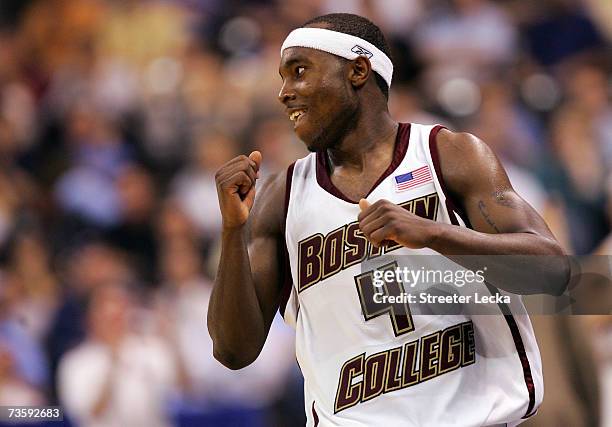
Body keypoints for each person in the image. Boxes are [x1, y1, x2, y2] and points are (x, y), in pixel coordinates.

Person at [209, 13, 568, 426]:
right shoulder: (280, 198)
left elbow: (553, 272)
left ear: (358, 70)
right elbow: (233, 351)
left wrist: (434, 232)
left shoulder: (447, 155)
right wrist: (233, 231)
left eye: (299, 72)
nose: (283, 93)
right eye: (283, 78)